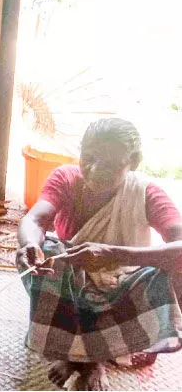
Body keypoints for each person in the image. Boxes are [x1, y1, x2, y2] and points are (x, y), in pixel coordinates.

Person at [17, 118, 182, 390]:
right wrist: (29, 245)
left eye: (108, 165)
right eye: (88, 158)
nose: (93, 171)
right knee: (47, 253)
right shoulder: (66, 178)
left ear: (134, 161)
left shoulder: (145, 192)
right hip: (73, 283)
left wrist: (115, 255)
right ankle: (85, 359)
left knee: (175, 270)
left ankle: (87, 356)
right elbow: (35, 219)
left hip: (123, 282)